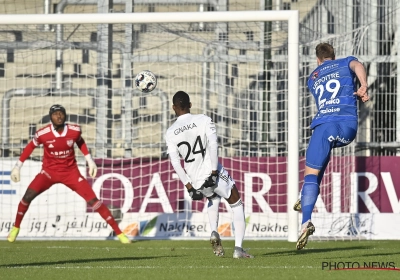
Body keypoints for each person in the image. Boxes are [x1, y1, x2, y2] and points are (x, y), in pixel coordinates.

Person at [8, 104, 131, 244]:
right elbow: (30, 146)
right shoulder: (42, 134)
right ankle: (16, 228)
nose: (59, 116)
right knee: (27, 197)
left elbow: (80, 142)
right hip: (48, 173)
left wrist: (90, 160)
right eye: (55, 114)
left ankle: (120, 234)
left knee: (94, 201)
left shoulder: (74, 130)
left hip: (70, 172)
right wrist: (18, 166)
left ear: (65, 115)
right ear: (50, 117)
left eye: (61, 113)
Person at [294, 43, 369, 250]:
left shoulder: (313, 77)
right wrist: (363, 85)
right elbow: (358, 65)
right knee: (320, 161)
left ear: (317, 59)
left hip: (325, 126)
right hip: (348, 128)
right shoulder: (345, 62)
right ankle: (305, 195)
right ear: (333, 56)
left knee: (310, 175)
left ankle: (305, 222)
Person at [165, 91, 253, 259]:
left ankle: (213, 231)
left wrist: (189, 186)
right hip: (212, 172)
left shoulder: (170, 132)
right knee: (237, 204)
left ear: (173, 108)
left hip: (195, 179)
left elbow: (176, 163)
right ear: (190, 105)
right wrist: (214, 172)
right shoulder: (204, 120)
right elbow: (213, 145)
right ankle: (238, 249)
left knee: (213, 199)